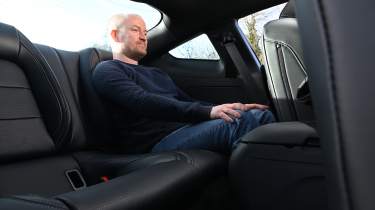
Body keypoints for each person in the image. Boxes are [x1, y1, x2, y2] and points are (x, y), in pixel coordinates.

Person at [92, 14, 275, 155]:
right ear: (115, 35)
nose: (143, 37)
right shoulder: (107, 70)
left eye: (145, 32)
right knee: (243, 122)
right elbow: (142, 101)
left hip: (184, 130)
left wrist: (234, 107)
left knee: (260, 115)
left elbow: (187, 101)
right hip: (156, 144)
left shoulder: (156, 73)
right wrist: (208, 112)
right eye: (135, 30)